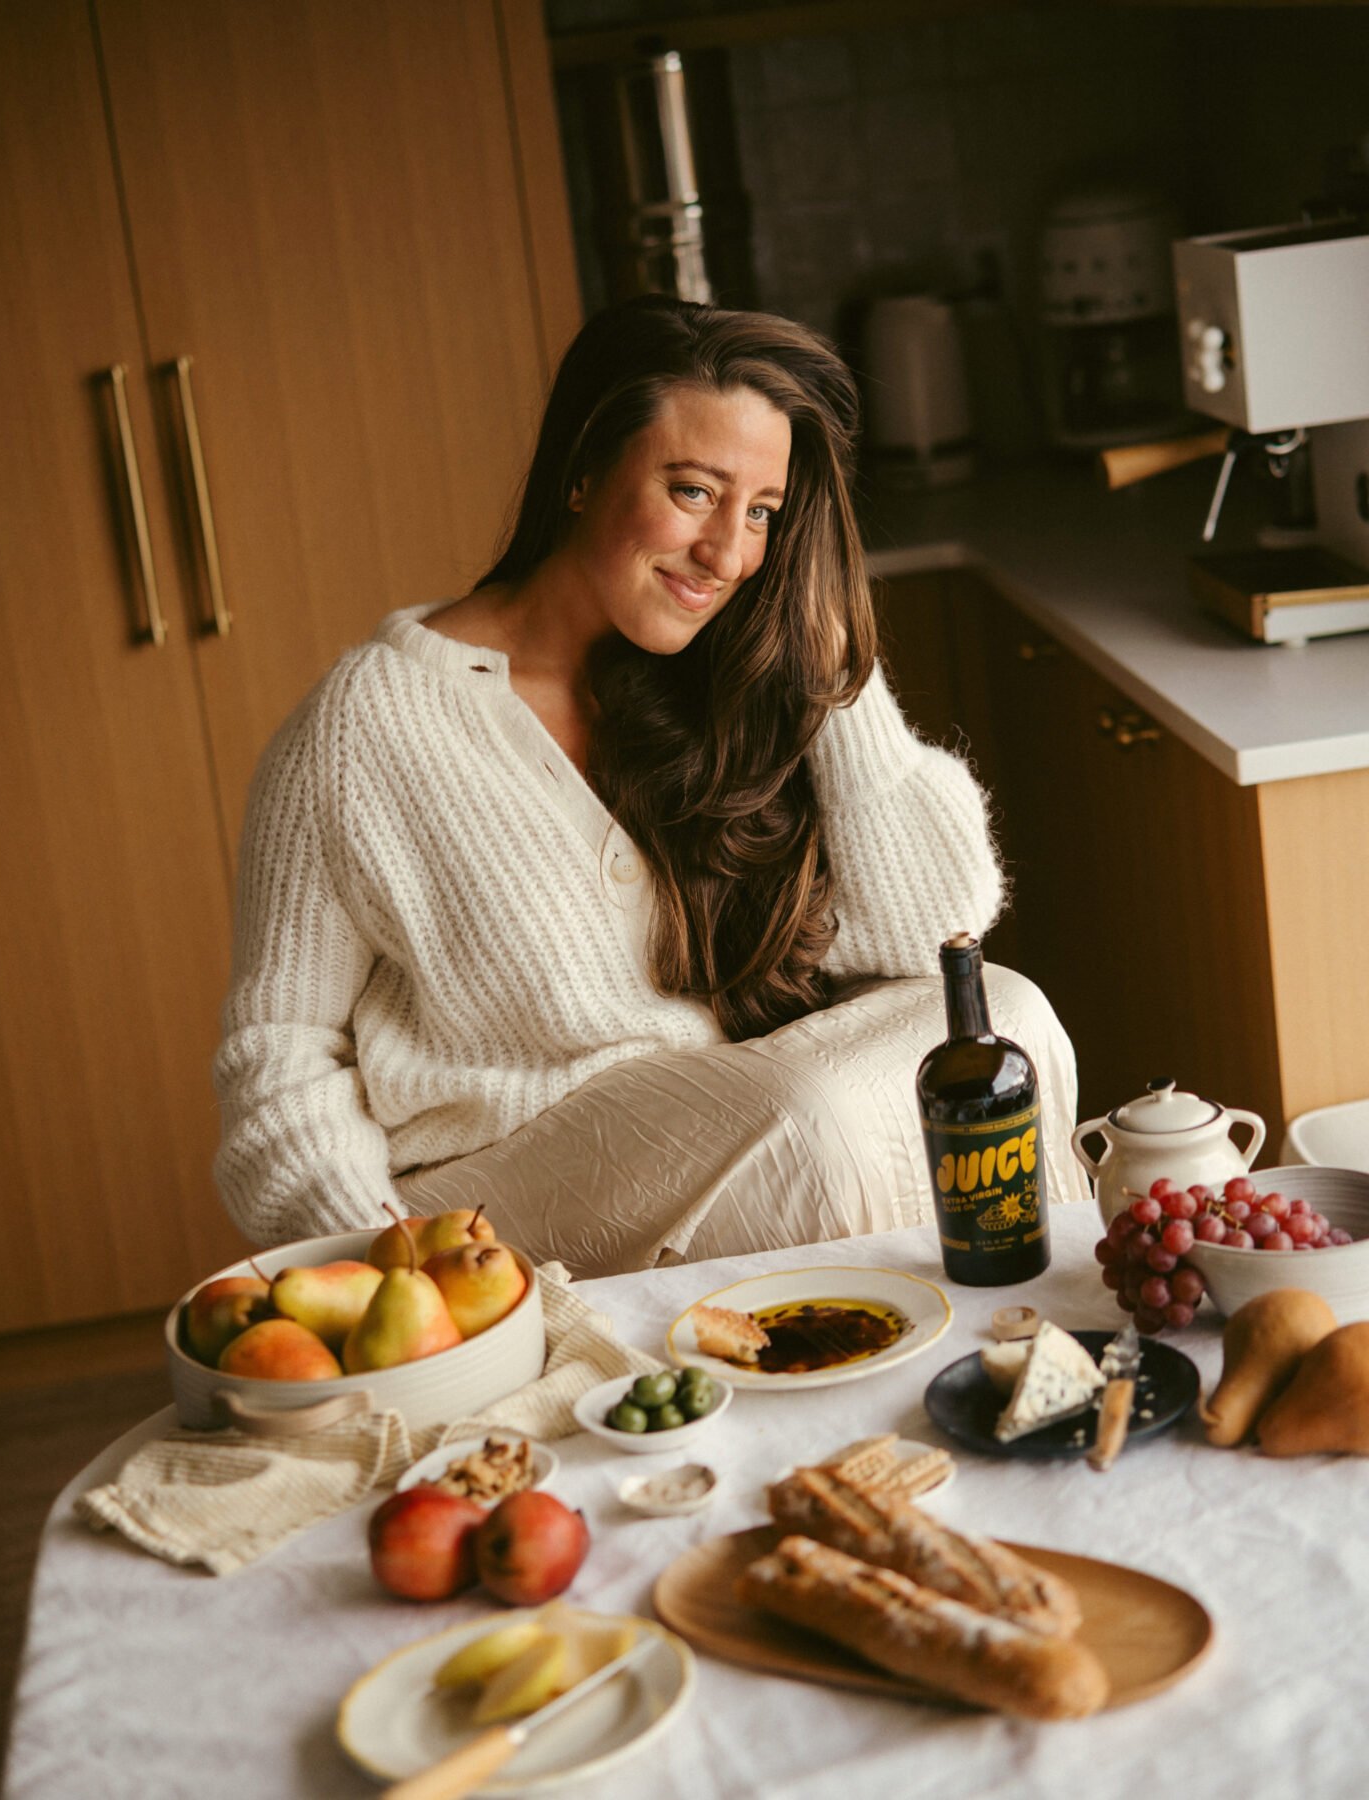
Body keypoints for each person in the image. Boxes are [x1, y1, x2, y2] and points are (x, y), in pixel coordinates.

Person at [212, 295, 1084, 1275]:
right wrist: (390, 1262)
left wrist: (834, 663)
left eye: (762, 513)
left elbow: (934, 945)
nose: (728, 557)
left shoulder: (726, 673)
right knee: (807, 1126)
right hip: (490, 1204)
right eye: (694, 492)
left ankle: (1029, 1354)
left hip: (727, 1129)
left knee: (1003, 1015)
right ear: (582, 471)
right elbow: (276, 1061)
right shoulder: (361, 729)